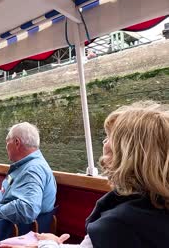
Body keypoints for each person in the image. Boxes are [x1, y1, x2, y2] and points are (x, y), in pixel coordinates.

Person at [27, 102, 169, 248]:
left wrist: (47, 243)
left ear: (126, 153)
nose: (104, 142)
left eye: (109, 137)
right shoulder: (157, 206)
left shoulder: (118, 225)